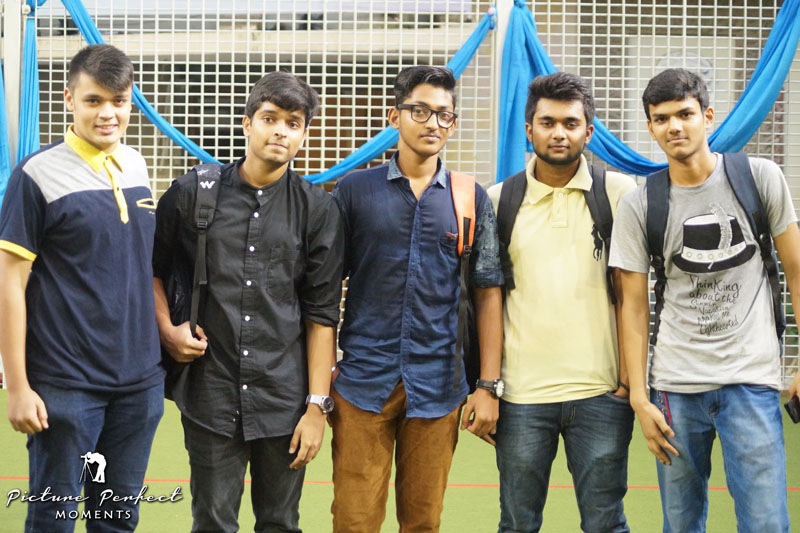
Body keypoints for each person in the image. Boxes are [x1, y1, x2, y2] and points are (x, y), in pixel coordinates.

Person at [153, 71, 344, 532]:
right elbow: (152, 270)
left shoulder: (317, 210)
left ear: (304, 134)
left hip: (284, 400)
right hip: (210, 393)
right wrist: (167, 330)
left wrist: (316, 408)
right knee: (212, 522)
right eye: (269, 118)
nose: (280, 131)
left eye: (293, 123)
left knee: (280, 522)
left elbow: (322, 315)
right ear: (247, 123)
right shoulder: (191, 194)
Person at [610, 68, 799, 532]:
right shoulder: (640, 205)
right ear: (650, 127)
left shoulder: (759, 178)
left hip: (750, 381)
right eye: (661, 119)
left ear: (708, 116)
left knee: (766, 523)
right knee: (681, 524)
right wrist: (640, 398)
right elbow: (632, 307)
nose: (674, 126)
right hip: (674, 387)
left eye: (685, 114)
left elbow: (796, 271)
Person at [329, 65, 504, 532]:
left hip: (439, 387)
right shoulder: (354, 191)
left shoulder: (470, 198)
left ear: (454, 123)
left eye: (444, 115)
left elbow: (487, 294)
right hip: (362, 381)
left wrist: (487, 385)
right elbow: (322, 290)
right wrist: (323, 373)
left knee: (424, 522)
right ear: (395, 116)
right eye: (420, 111)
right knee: (354, 521)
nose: (433, 123)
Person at [0, 44, 164, 531]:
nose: (107, 113)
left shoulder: (137, 165)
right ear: (69, 98)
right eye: (94, 100)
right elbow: (9, 284)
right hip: (64, 385)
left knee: (117, 519)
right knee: (52, 519)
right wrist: (17, 386)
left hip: (139, 385)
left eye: (118, 101)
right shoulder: (35, 175)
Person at [486, 72, 636, 533]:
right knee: (517, 524)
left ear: (588, 132)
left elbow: (633, 294)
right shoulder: (498, 200)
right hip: (521, 398)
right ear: (528, 129)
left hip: (601, 395)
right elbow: (486, 299)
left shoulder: (620, 194)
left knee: (606, 524)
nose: (559, 133)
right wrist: (488, 386)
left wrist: (628, 383)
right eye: (547, 122)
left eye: (570, 123)